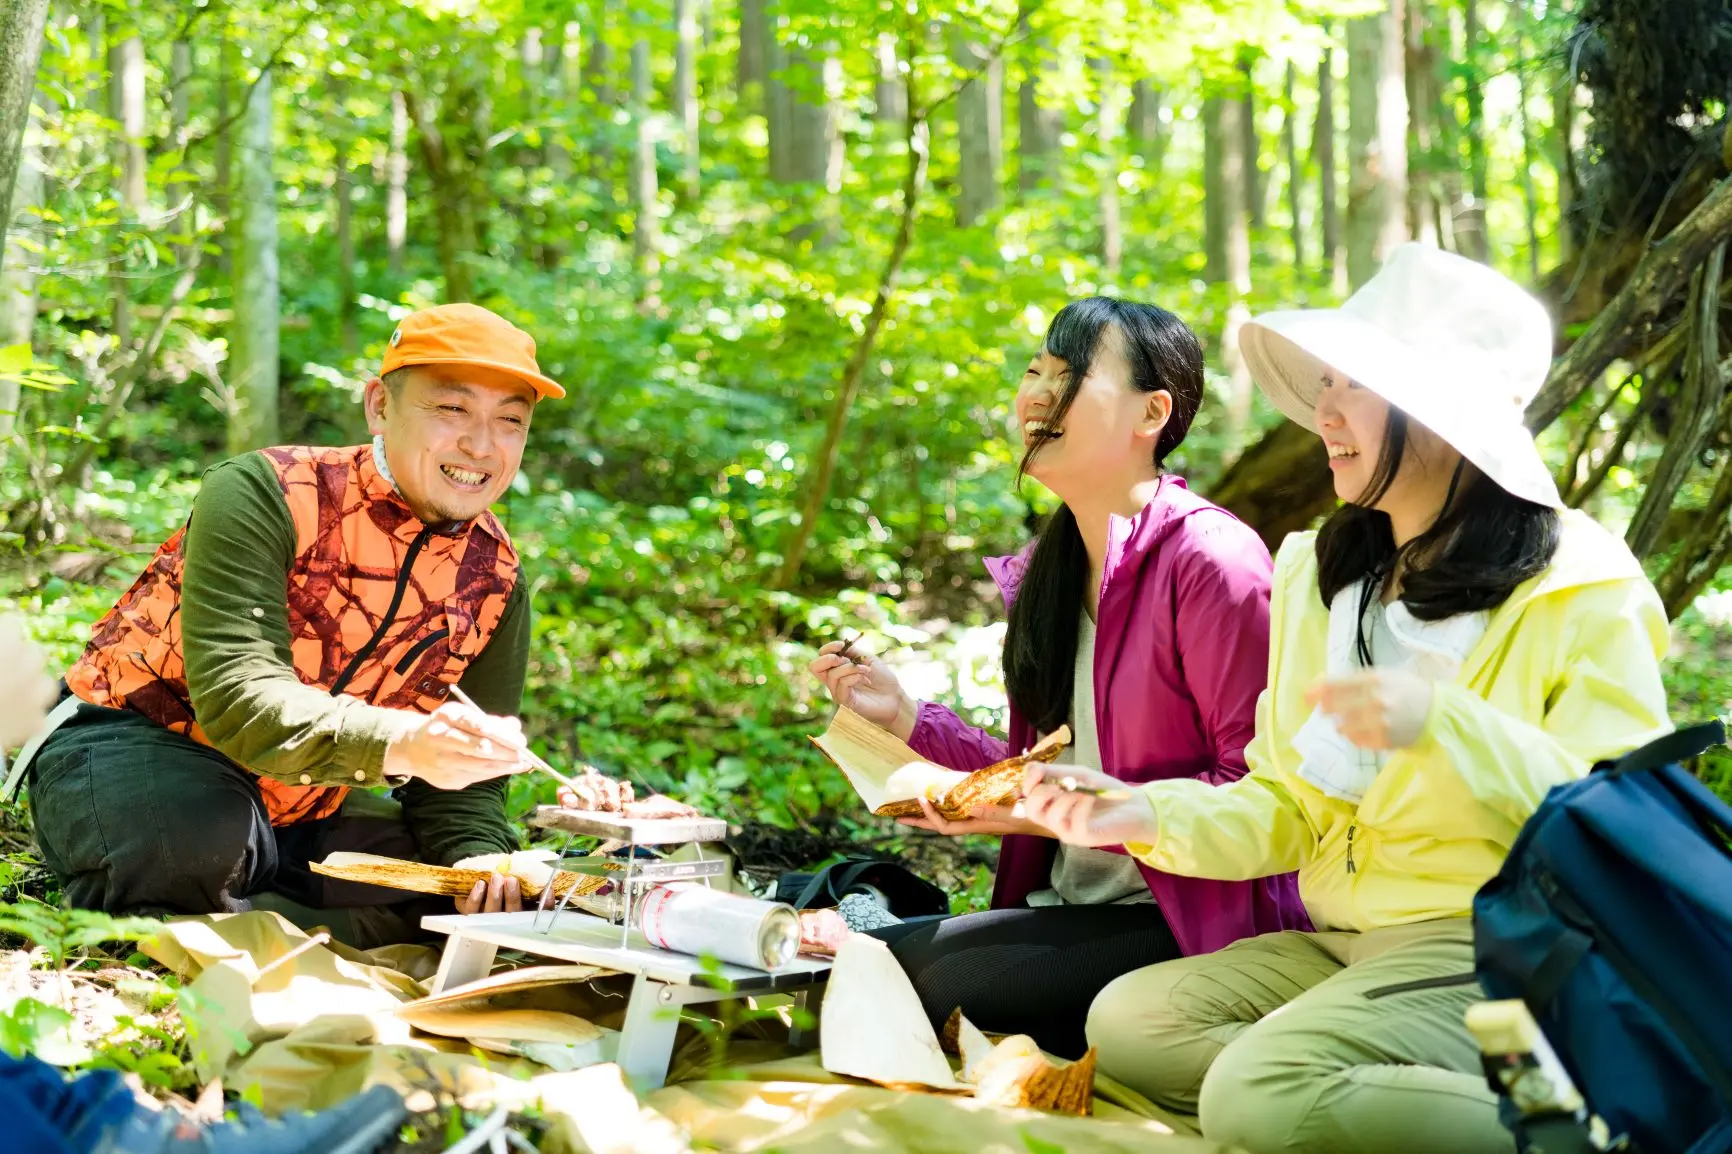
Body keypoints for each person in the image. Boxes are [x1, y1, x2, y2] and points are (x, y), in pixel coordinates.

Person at [1021, 245, 1672, 1153]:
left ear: (1439, 415)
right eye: (1321, 385)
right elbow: (1288, 804)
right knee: (1126, 1023)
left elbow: (1618, 823)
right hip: (1339, 944)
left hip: (1494, 947)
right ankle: (1502, 1086)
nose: (1322, 414)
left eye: (1351, 387)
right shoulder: (1324, 577)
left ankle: (1599, 1132)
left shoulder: (1581, 583)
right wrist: (1141, 813)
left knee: (1256, 1094)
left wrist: (1442, 727)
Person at [15, 304, 631, 948]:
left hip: (311, 795)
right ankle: (245, 912)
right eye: (452, 410)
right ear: (378, 407)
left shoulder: (496, 579)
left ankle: (238, 919)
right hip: (145, 736)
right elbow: (239, 698)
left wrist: (476, 858)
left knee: (450, 891)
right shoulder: (267, 492)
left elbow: (466, 788)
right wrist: (406, 739)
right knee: (196, 846)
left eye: (510, 421)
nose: (482, 445)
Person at [809, 297, 1307, 1058]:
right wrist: (909, 719)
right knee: (819, 957)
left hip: (1189, 927)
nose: (1036, 393)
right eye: (1035, 370)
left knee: (885, 979)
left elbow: (1257, 792)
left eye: (1069, 375)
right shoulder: (1052, 567)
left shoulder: (1212, 562)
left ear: (1153, 413)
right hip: (1071, 909)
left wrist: (1060, 817)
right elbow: (1037, 776)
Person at [0, 616, 410, 1154]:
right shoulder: (259, 529)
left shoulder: (490, 570)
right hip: (148, 743)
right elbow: (237, 678)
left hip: (301, 796)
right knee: (188, 838)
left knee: (431, 883)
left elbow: (468, 800)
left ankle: (81, 1119)